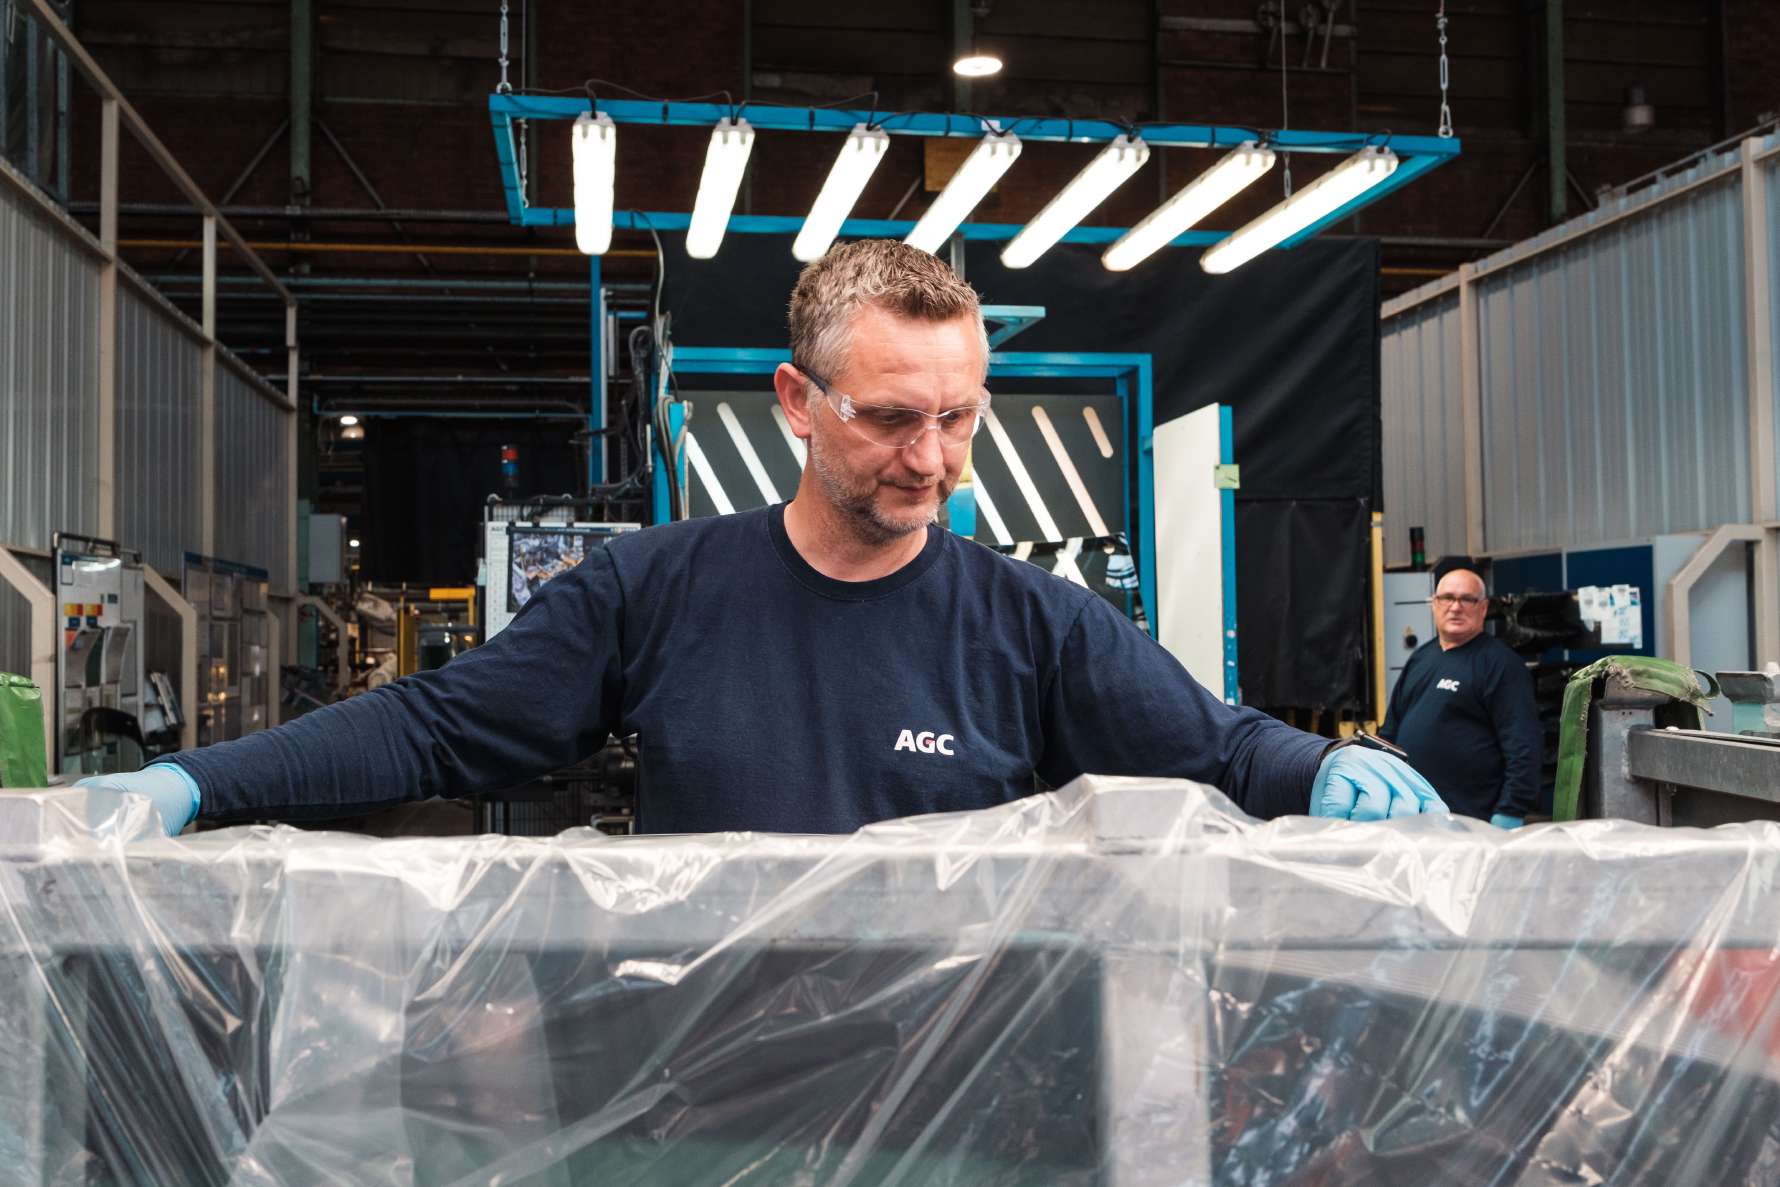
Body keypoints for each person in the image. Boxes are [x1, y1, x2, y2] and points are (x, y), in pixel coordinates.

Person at [81, 240, 1445, 836]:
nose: (932, 458)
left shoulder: (1032, 622)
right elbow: (435, 726)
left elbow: (1212, 745)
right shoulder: (655, 591)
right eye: (893, 418)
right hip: (711, 1077)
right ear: (796, 401)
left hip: (954, 1083)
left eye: (960, 419)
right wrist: (195, 783)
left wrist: (1326, 767)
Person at [1380, 565, 1541, 827]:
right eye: (1447, 598)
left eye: (1467, 599)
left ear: (1484, 608)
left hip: (1473, 820)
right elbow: (1389, 734)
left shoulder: (1501, 665)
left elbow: (1523, 745)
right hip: (1411, 815)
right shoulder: (1421, 658)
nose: (1456, 607)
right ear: (1434, 604)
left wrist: (1511, 810)